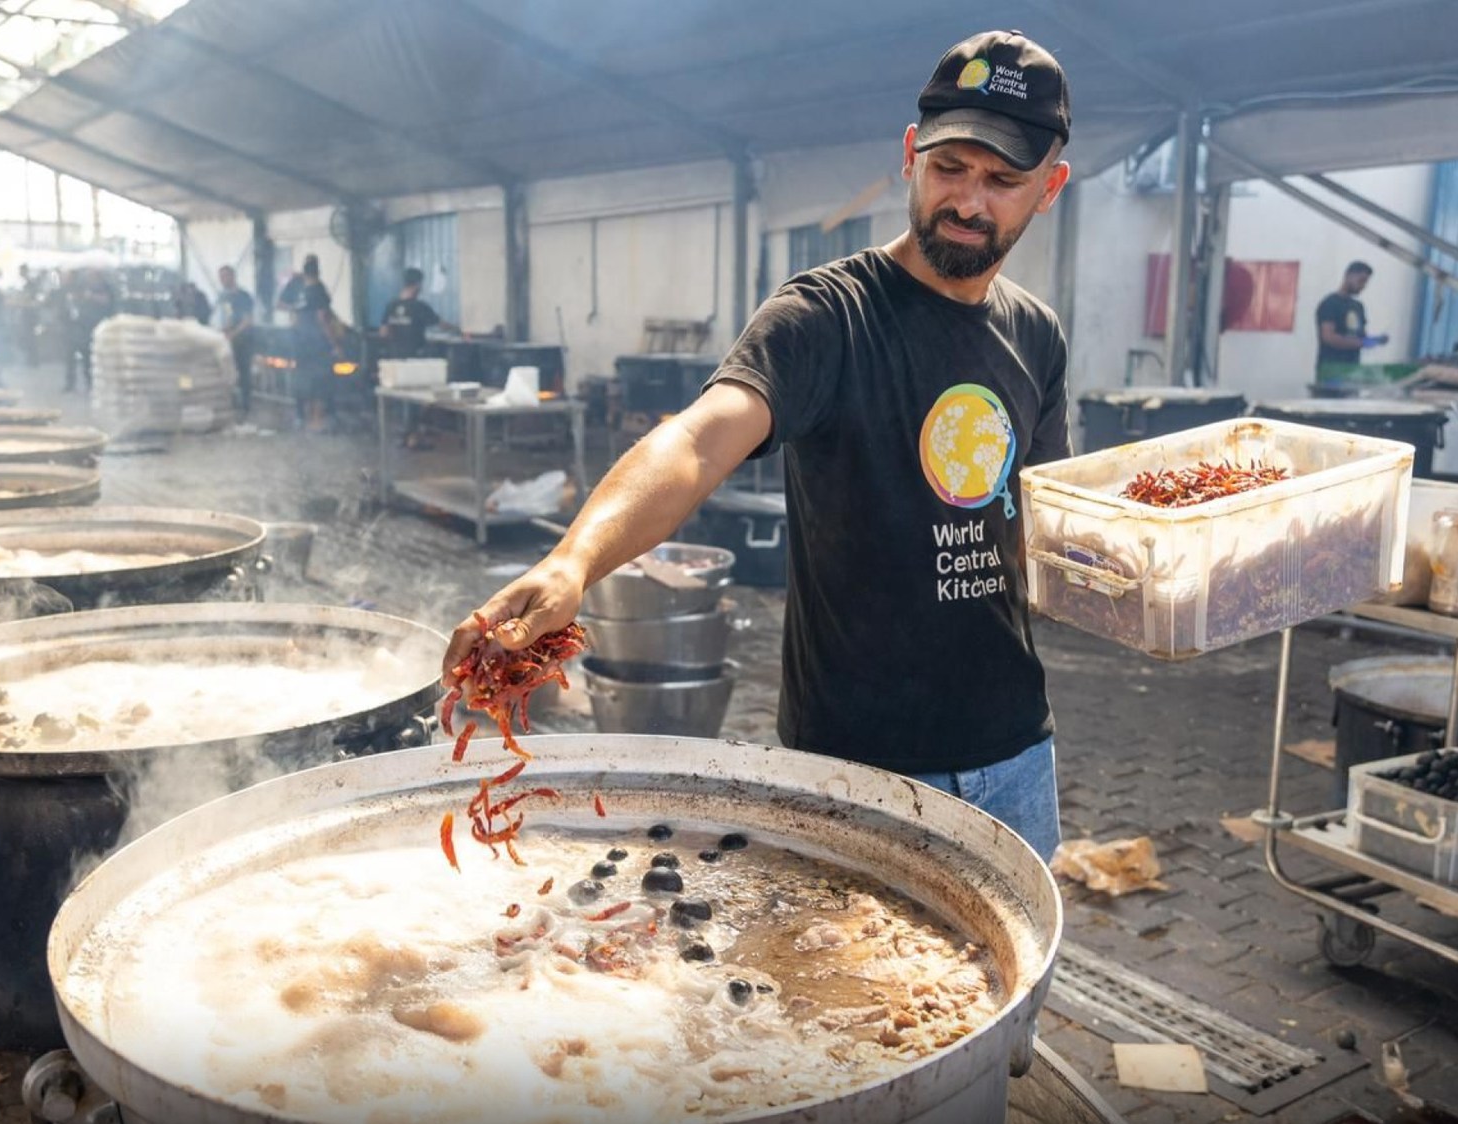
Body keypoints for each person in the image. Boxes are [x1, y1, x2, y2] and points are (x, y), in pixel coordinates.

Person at [443, 30, 1075, 860]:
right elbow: (698, 444)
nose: (969, 200)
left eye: (1003, 180)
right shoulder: (825, 317)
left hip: (1014, 756)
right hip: (856, 765)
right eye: (950, 167)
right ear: (910, 155)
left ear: (1049, 189)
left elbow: (1049, 523)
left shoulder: (1037, 335)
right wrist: (573, 561)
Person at [291, 255, 342, 432]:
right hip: (317, 344)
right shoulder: (319, 290)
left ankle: (302, 418)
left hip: (300, 342)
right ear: (318, 272)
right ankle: (317, 421)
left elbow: (295, 317)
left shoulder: (300, 291)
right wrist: (334, 344)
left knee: (304, 380)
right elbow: (322, 318)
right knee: (321, 380)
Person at [1314, 260, 1386, 379]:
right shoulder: (1330, 304)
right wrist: (1361, 343)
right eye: (1361, 281)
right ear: (1348, 276)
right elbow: (1329, 337)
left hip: (1352, 371)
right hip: (1330, 371)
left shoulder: (1358, 307)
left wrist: (1375, 340)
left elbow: (1360, 337)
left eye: (1366, 282)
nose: (1363, 286)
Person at [214, 265, 257, 415]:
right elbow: (228, 316)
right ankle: (231, 402)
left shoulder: (243, 296)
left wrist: (234, 333)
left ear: (232, 277)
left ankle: (246, 404)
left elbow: (247, 320)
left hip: (244, 340)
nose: (222, 280)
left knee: (244, 372)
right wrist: (224, 330)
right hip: (229, 339)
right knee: (228, 371)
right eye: (221, 277)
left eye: (225, 276)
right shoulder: (224, 297)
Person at [379, 267, 448, 359]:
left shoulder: (391, 306)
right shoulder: (420, 307)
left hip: (394, 357)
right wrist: (458, 328)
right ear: (417, 285)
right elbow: (442, 325)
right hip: (415, 358)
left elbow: (383, 333)